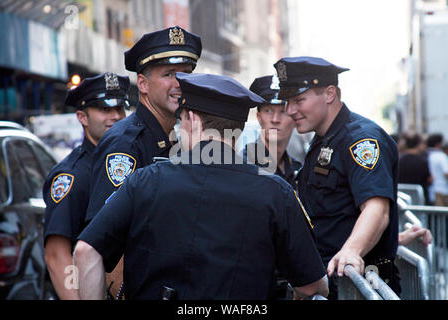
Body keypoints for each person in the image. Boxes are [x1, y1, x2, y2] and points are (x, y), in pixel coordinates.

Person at [73, 72, 329, 300]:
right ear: (237, 129)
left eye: (180, 120)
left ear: (192, 120)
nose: (177, 129)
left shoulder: (145, 180)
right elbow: (313, 287)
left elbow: (85, 251)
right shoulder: (276, 192)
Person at [274, 56, 400, 299]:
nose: (290, 111)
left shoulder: (361, 139)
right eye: (288, 102)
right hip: (330, 284)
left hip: (358, 286)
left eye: (299, 100)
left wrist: (352, 251)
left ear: (330, 93)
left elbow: (377, 208)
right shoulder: (323, 139)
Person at [85, 26, 202, 223]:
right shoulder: (125, 145)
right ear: (142, 84)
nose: (180, 83)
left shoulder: (174, 138)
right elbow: (107, 236)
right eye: (169, 74)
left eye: (186, 74)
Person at [43, 73, 128, 299]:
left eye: (120, 109)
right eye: (105, 109)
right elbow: (55, 254)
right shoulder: (71, 176)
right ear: (82, 117)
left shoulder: (125, 161)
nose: (116, 116)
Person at [243, 75, 301, 190]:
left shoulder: (298, 168)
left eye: (283, 111)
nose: (275, 119)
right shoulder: (245, 165)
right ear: (259, 117)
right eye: (268, 111)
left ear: (295, 118)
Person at [398, 132, 433, 204]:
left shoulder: (399, 160)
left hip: (403, 200)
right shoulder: (422, 161)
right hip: (420, 201)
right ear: (418, 144)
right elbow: (430, 179)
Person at [427, 133, 448, 206]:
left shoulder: (428, 155)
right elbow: (446, 173)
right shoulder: (441, 156)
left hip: (432, 190)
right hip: (442, 191)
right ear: (438, 144)